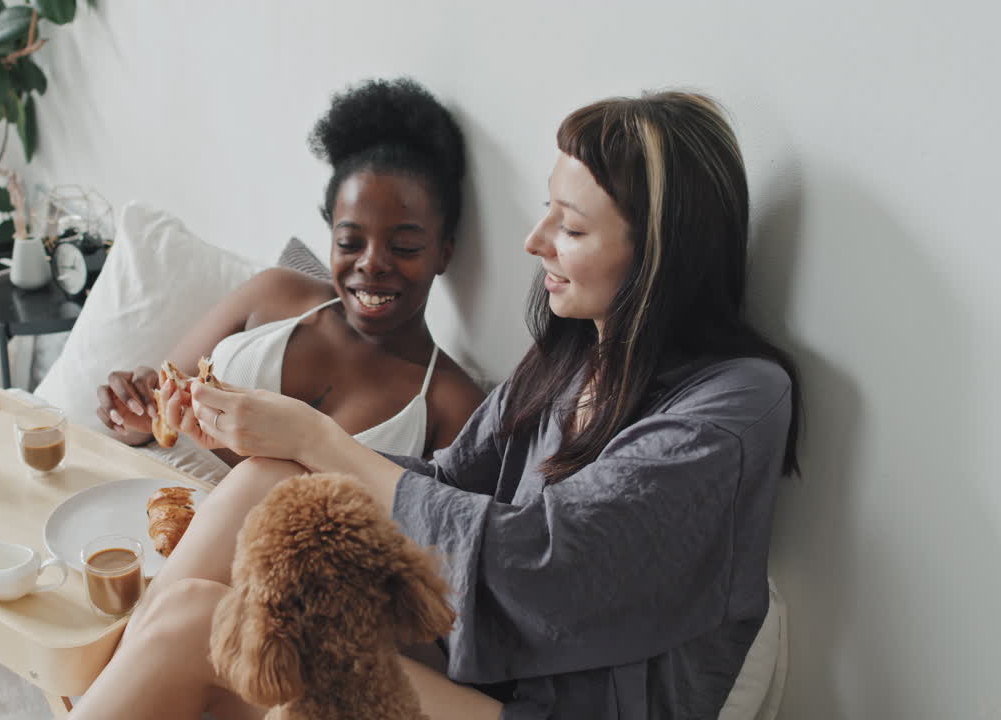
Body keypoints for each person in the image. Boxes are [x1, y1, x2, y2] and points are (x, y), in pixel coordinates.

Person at [72, 91, 803, 720]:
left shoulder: (736, 405)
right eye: (547, 210)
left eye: (571, 228)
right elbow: (449, 480)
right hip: (485, 660)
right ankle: (113, 692)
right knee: (265, 485)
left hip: (555, 703)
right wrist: (282, 441)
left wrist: (322, 440)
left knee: (199, 623)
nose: (534, 240)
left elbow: (545, 568)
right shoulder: (572, 354)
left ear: (659, 255)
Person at [95, 78, 484, 465]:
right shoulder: (275, 294)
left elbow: (443, 523)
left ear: (443, 253)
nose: (371, 263)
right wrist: (132, 407)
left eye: (403, 248)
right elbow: (151, 419)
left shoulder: (451, 405)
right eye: (349, 242)